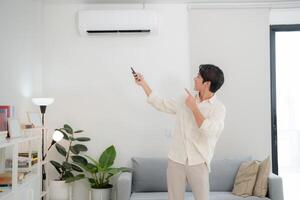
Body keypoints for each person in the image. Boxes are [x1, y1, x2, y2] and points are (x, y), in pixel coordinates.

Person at [133, 64, 226, 200]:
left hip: (199, 162)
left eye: (198, 77)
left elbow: (208, 131)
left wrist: (194, 108)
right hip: (176, 159)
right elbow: (161, 104)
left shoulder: (219, 109)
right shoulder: (185, 97)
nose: (195, 78)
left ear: (207, 83)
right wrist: (143, 84)